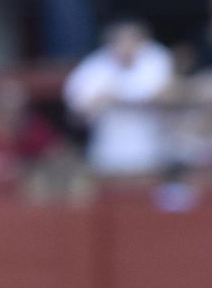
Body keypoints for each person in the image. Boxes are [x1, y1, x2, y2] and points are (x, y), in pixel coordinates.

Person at [63, 18, 175, 177]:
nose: (126, 47)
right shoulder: (92, 68)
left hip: (153, 154)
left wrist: (116, 96)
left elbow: (167, 96)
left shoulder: (156, 59)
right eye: (120, 41)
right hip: (106, 156)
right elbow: (75, 115)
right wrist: (97, 103)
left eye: (132, 40)